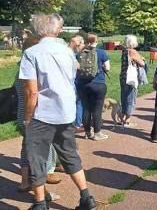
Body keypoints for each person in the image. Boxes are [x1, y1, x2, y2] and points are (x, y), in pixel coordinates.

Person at [19, 14, 96, 210]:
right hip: (66, 110)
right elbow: (71, 78)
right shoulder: (67, 52)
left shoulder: (32, 53)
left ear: (37, 29)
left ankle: (39, 203)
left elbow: (31, 91)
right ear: (57, 29)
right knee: (70, 154)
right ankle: (86, 196)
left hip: (42, 113)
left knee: (37, 156)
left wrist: (28, 118)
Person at [16, 30, 62, 198]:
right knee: (38, 156)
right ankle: (42, 195)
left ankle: (24, 182)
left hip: (22, 115)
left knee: (25, 148)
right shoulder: (32, 71)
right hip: (33, 116)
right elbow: (34, 94)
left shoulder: (20, 67)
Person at [77, 33, 110, 141]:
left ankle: (87, 132)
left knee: (86, 108)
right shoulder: (101, 52)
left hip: (83, 84)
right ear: (97, 40)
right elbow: (108, 68)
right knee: (97, 109)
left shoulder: (81, 53)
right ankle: (97, 133)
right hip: (98, 83)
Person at [119, 35, 146, 126]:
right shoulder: (133, 51)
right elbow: (142, 63)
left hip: (123, 76)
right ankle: (127, 119)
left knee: (124, 97)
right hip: (131, 78)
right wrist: (142, 59)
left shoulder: (124, 51)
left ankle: (122, 116)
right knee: (131, 98)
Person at [69, 35, 85, 131]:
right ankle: (77, 123)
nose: (83, 45)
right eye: (81, 43)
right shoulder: (71, 54)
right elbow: (78, 66)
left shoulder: (71, 52)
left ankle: (76, 122)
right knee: (78, 102)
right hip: (73, 81)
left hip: (72, 80)